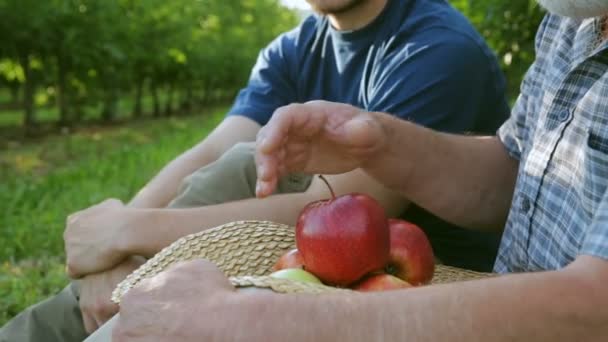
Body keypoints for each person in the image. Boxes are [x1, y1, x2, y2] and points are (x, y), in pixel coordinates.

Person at [0, 0, 509, 341]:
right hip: (311, 264)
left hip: (413, 282)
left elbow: (356, 217)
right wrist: (109, 249)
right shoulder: (294, 49)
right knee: (235, 163)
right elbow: (212, 149)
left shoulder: (436, 50)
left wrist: (129, 231)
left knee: (243, 170)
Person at [108, 0, 608, 340]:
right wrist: (385, 144)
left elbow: (594, 311)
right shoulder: (572, 21)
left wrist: (256, 322)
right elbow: (517, 177)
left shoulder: (436, 45)